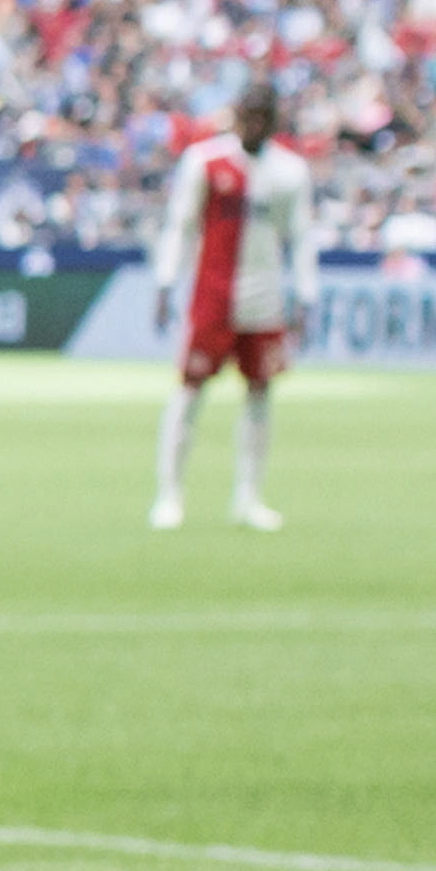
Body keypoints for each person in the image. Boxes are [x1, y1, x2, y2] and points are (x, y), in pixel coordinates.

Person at [153, 80, 309, 533]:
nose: (255, 124)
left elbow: (300, 237)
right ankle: (169, 494)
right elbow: (180, 226)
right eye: (249, 115)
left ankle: (249, 497)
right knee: (190, 390)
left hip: (263, 299)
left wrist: (306, 293)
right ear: (238, 115)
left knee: (260, 394)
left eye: (264, 116)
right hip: (214, 297)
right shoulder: (206, 161)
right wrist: (166, 281)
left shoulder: (290, 172)